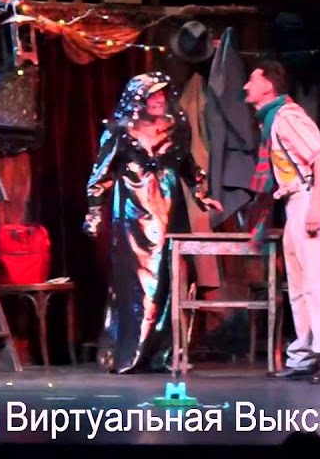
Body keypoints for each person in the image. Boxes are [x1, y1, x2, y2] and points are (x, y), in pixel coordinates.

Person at [83, 72, 222, 374]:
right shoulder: (120, 131)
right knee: (139, 284)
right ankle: (131, 352)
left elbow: (187, 166)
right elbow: (100, 175)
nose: (159, 99)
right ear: (139, 98)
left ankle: (164, 354)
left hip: (171, 212)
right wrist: (94, 213)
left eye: (162, 94)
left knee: (171, 281)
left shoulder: (177, 128)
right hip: (134, 216)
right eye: (153, 94)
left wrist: (202, 195)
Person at [243, 60, 320, 384]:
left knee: (318, 284)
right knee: (300, 288)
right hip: (294, 202)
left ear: (267, 85)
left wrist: (315, 208)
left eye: (252, 79)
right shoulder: (272, 121)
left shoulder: (288, 117)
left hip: (310, 200)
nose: (246, 85)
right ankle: (305, 356)